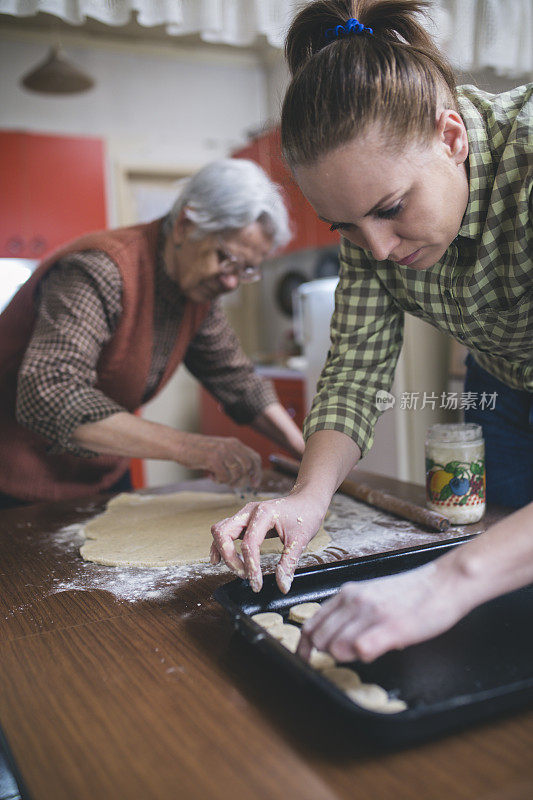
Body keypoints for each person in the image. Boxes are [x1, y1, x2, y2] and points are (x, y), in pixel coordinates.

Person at [210, 1, 532, 664]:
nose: (377, 248)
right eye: (346, 227)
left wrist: (445, 583)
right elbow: (355, 368)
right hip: (503, 383)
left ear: (451, 138)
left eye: (390, 210)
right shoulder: (368, 217)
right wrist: (307, 496)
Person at [0, 158, 305, 508]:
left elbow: (238, 382)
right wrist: (192, 448)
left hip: (101, 471)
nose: (231, 281)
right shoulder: (99, 271)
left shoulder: (197, 290)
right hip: (15, 478)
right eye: (226, 259)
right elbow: (49, 392)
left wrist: (308, 458)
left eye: (247, 270)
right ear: (186, 225)